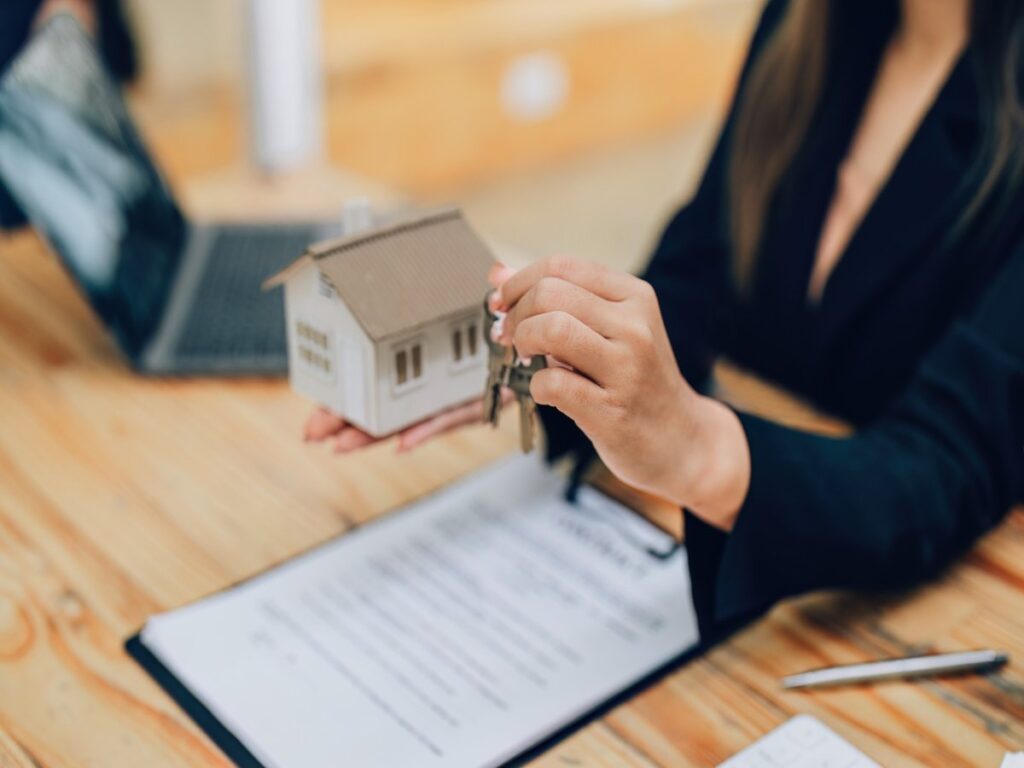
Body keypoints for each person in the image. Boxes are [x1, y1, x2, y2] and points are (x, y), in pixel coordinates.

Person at [309, 0, 1024, 643]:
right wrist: (546, 360)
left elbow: (944, 468)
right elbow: (703, 268)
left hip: (891, 601)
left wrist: (694, 448)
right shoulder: (809, 24)